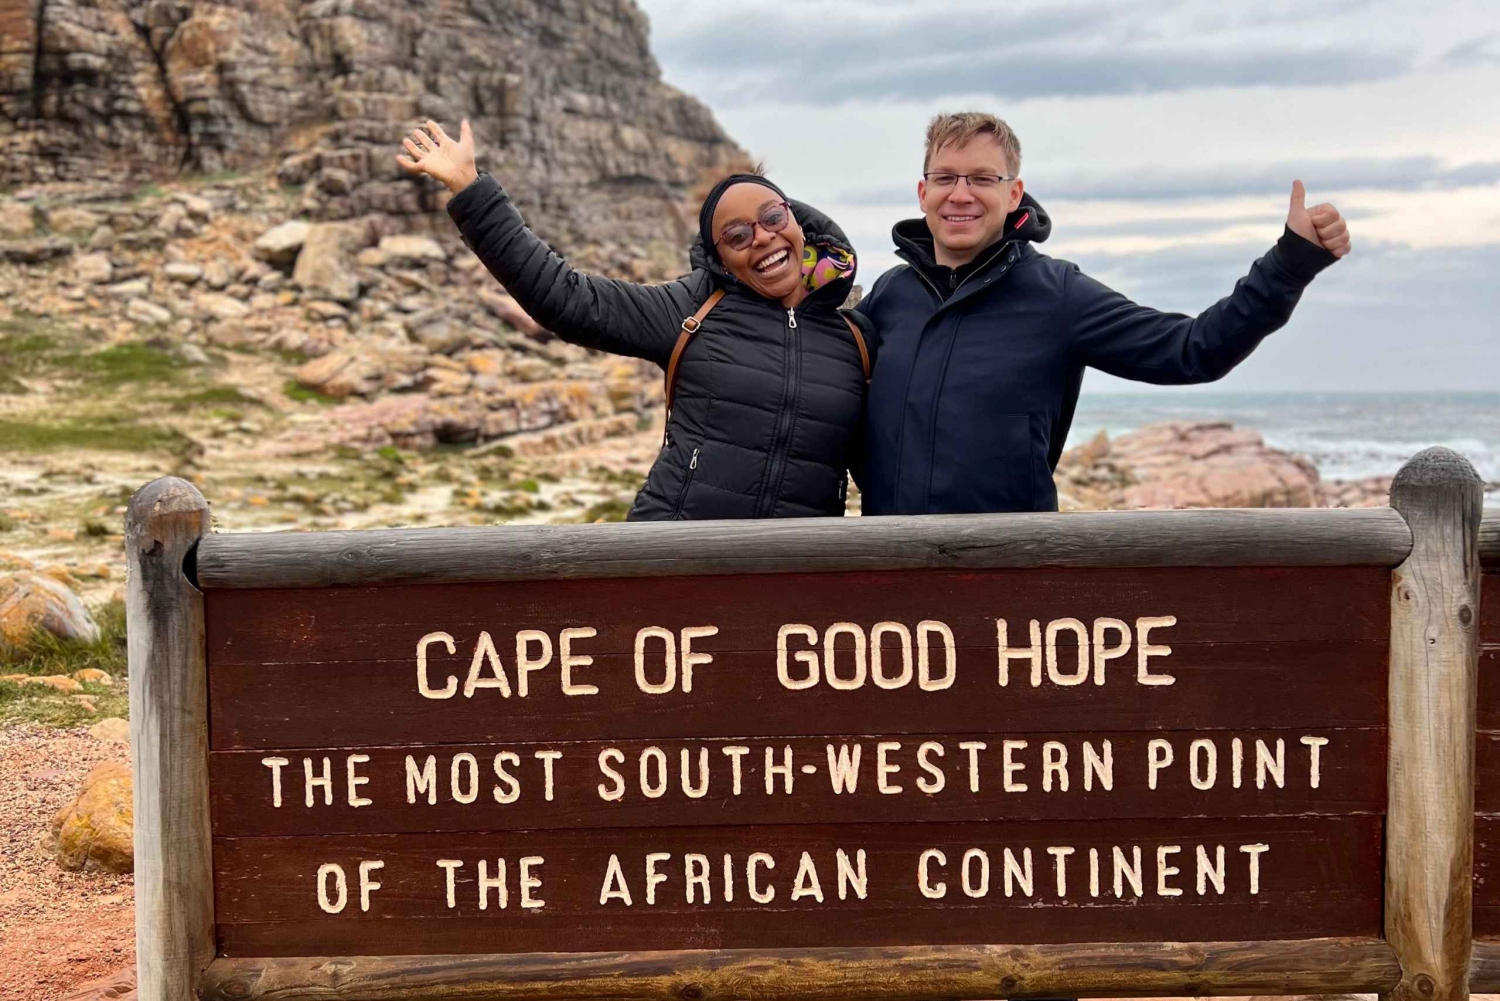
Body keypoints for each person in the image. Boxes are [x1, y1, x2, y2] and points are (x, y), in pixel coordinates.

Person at [852, 112, 1352, 516]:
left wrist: (1289, 265)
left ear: (1013, 193)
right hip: (890, 573)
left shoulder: (1057, 295)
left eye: (983, 178)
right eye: (945, 178)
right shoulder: (890, 296)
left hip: (1007, 575)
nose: (960, 193)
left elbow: (1192, 350)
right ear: (924, 194)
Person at [396, 119, 869, 520]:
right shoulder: (692, 310)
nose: (763, 238)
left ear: (796, 221)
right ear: (721, 260)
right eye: (738, 235)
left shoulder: (856, 339)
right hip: (674, 561)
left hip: (800, 576)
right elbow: (566, 298)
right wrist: (472, 192)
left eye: (772, 217)